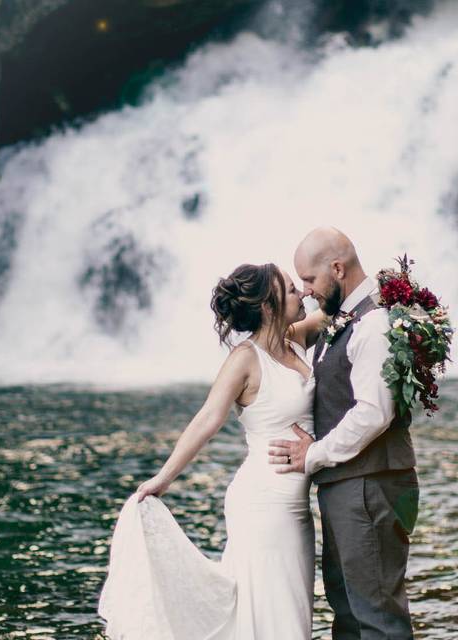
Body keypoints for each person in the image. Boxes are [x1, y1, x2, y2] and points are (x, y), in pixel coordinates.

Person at [98, 262, 318, 639]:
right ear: (268, 306)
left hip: (297, 509)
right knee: (276, 619)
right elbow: (207, 419)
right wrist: (163, 478)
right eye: (292, 288)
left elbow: (341, 306)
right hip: (262, 506)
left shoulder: (293, 339)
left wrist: (394, 290)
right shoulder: (245, 359)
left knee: (291, 612)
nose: (301, 291)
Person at [268, 227, 420, 640]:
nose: (306, 291)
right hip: (352, 486)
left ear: (337, 269)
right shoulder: (345, 318)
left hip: (369, 486)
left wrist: (313, 454)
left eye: (310, 280)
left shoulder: (372, 325)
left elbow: (374, 413)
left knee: (376, 617)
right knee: (349, 611)